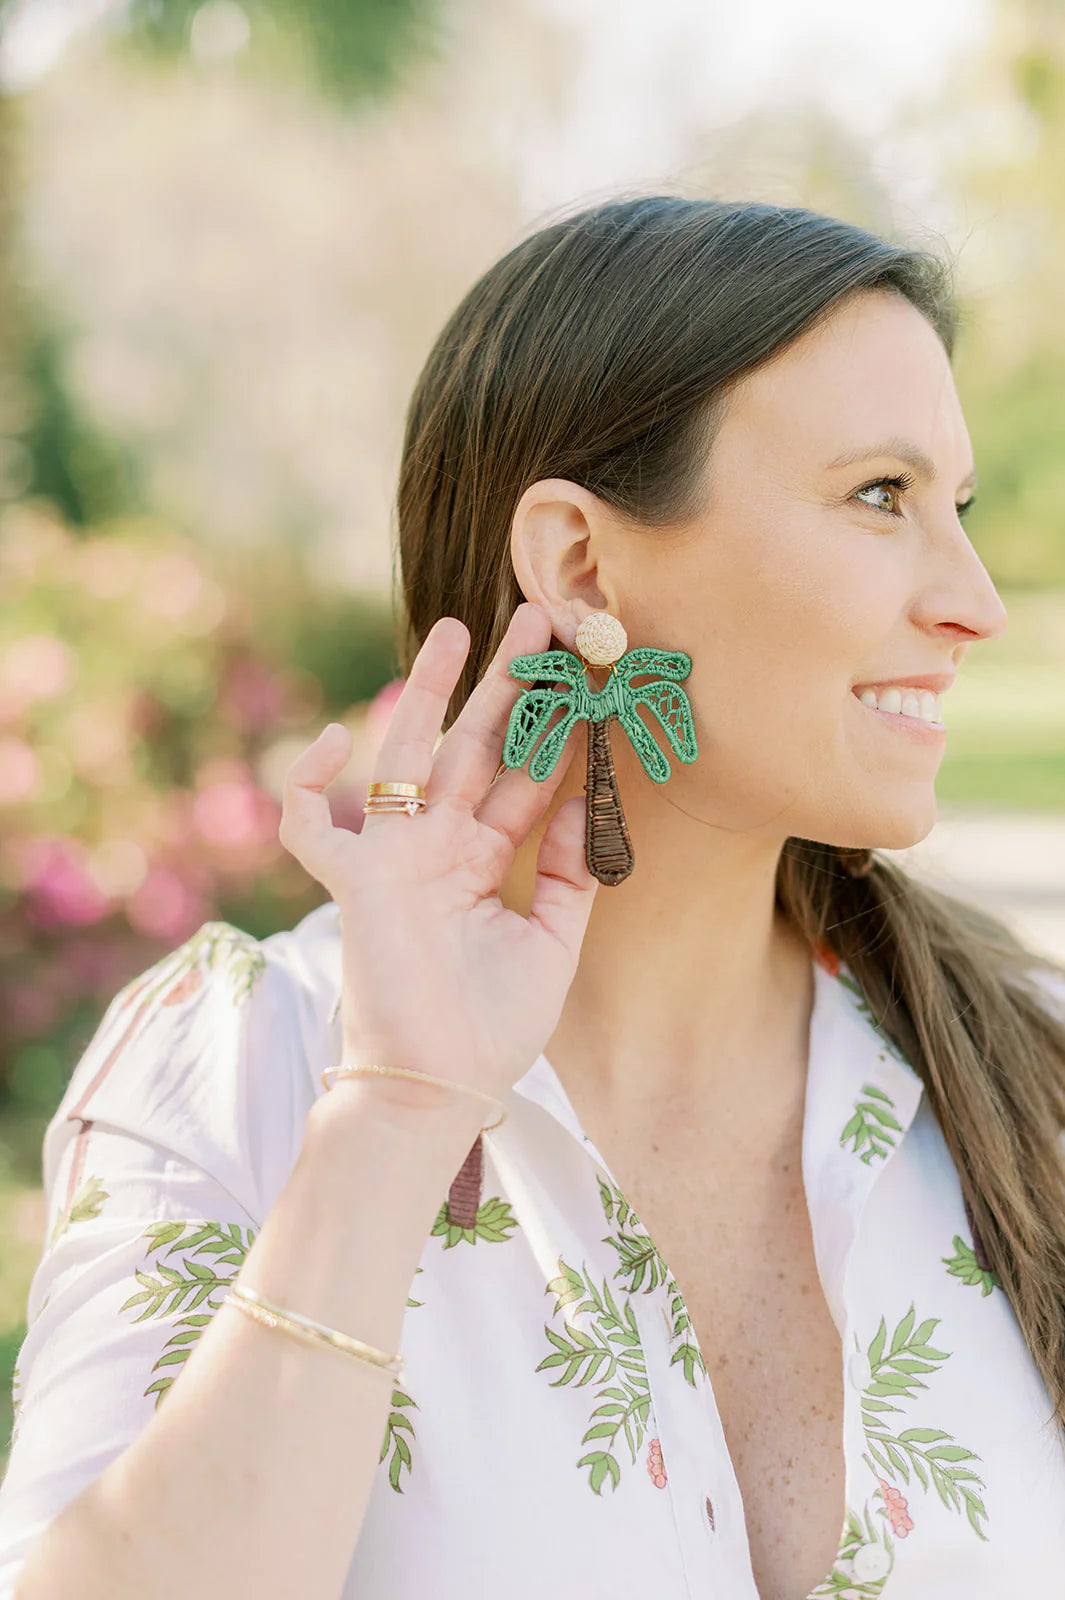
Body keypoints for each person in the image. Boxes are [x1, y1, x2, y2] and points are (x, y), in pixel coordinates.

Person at [1, 195, 1065, 1600]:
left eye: (958, 508)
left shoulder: (1025, 1072)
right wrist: (394, 1113)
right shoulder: (242, 1069)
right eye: (880, 495)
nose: (974, 600)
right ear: (578, 564)